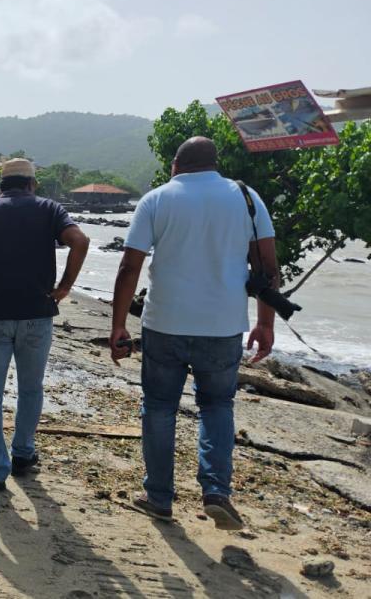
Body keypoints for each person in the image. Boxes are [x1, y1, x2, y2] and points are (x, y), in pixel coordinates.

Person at [109, 136, 277, 531]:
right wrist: (265, 322)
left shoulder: (157, 199)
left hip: (164, 323)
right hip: (222, 328)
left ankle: (159, 497)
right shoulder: (246, 197)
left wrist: (118, 324)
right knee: (217, 406)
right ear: (214, 163)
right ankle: (216, 492)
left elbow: (129, 267)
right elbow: (267, 266)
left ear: (175, 165)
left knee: (160, 406)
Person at [0, 159, 90, 491]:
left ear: (1, 186)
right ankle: (23, 453)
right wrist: (66, 285)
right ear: (32, 185)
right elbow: (80, 242)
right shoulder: (50, 209)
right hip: (38, 313)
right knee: (31, 387)